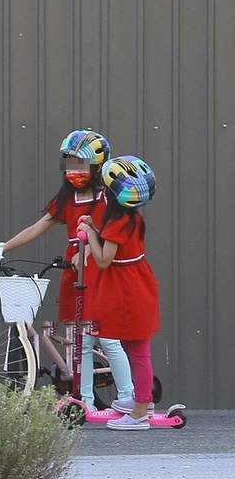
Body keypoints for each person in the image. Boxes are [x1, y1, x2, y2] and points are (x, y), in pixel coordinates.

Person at [4, 130, 133, 409]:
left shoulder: (109, 199)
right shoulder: (66, 199)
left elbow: (112, 240)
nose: (74, 171)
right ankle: (83, 399)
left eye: (81, 164)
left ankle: (127, 398)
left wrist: (86, 254)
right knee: (79, 344)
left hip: (100, 274)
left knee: (108, 340)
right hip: (74, 276)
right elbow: (38, 227)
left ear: (98, 166)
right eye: (70, 162)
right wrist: (3, 247)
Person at [77, 155, 158, 430]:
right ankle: (141, 401)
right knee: (136, 346)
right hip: (137, 283)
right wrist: (95, 228)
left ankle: (139, 412)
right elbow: (115, 244)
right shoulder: (130, 217)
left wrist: (89, 232)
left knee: (137, 350)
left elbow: (102, 259)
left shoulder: (117, 222)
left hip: (127, 290)